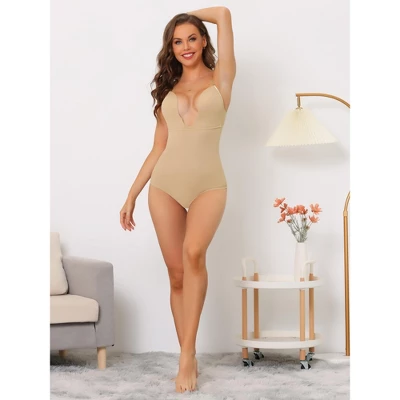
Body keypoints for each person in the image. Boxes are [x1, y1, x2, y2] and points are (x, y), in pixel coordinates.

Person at [120, 6, 236, 393]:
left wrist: (184, 13)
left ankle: (187, 357)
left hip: (209, 186)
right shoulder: (168, 91)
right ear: (170, 48)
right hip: (165, 187)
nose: (185, 46)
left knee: (194, 254)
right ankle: (188, 351)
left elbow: (223, 13)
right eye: (177, 41)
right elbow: (158, 149)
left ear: (204, 42)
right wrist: (132, 195)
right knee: (176, 274)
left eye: (192, 38)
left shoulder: (221, 78)